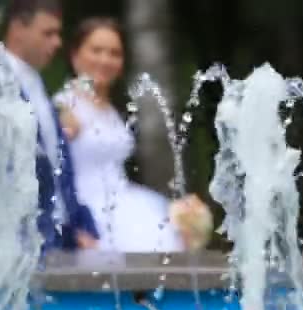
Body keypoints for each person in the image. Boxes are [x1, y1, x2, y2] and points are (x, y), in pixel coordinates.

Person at [53, 17, 213, 253]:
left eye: (114, 53)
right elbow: (50, 172)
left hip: (128, 203)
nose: (105, 60)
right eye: (96, 50)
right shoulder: (64, 107)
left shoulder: (111, 109)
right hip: (88, 211)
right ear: (75, 55)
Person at [0, 0, 99, 252]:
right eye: (48, 33)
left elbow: (57, 163)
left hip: (61, 237)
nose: (57, 42)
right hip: (20, 244)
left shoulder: (35, 82)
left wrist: (77, 226)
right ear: (18, 28)